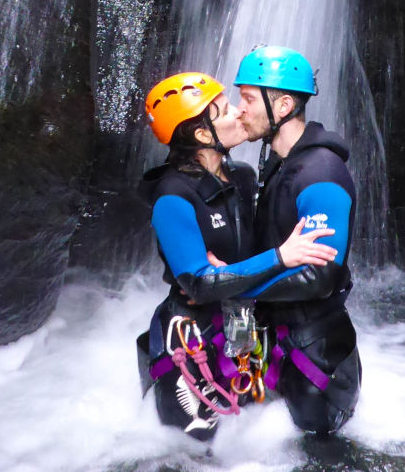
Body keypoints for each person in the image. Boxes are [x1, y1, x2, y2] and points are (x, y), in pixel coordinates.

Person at [134, 72, 337, 441]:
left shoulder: (242, 177)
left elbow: (232, 266)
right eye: (226, 110)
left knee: (256, 437)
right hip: (191, 337)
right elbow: (198, 282)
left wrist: (238, 273)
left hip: (246, 329)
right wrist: (280, 257)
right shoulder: (173, 197)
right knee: (192, 449)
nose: (239, 114)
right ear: (201, 135)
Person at [232, 46, 361, 435]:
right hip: (279, 344)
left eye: (248, 98)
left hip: (317, 364)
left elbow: (318, 276)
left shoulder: (321, 174)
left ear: (284, 105)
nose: (240, 108)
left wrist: (233, 282)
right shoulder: (278, 163)